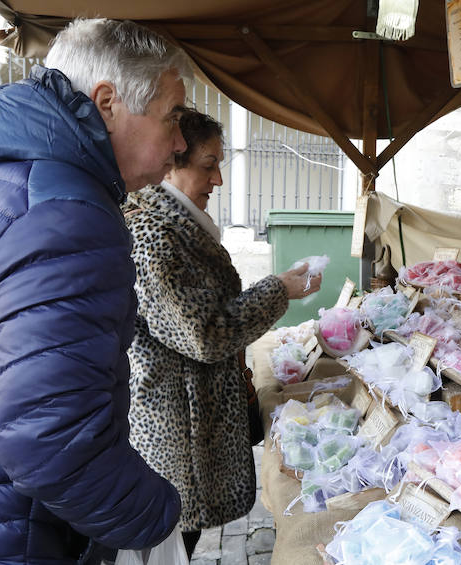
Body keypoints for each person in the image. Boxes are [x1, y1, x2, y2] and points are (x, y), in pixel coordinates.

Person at [0, 18, 190, 563]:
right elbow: (50, 442)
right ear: (107, 103)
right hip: (6, 540)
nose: (179, 142)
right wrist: (156, 515)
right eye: (172, 118)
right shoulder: (65, 217)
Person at [123, 108, 322, 558]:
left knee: (179, 539)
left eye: (219, 165)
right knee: (169, 537)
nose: (217, 180)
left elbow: (209, 312)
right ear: (173, 161)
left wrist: (278, 288)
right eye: (207, 165)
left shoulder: (180, 226)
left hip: (194, 416)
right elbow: (204, 334)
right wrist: (279, 290)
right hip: (177, 421)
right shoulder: (154, 235)